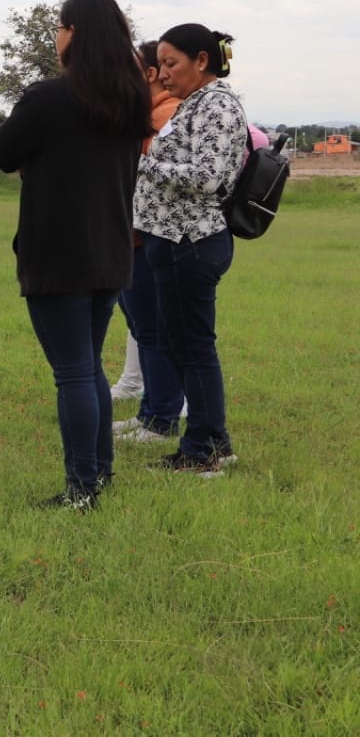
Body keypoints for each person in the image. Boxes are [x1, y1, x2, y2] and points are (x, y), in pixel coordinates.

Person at [0, 0, 152, 510]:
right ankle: (97, 477)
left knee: (74, 372)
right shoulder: (131, 99)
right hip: (110, 251)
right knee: (89, 367)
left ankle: (82, 489)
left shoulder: (48, 98)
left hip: (57, 252)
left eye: (59, 27)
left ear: (74, 34)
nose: (55, 36)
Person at [133, 23, 247, 475]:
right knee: (185, 344)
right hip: (176, 241)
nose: (162, 73)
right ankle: (212, 440)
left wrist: (143, 161)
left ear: (202, 61)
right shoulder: (196, 104)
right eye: (160, 64)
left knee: (194, 347)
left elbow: (208, 177)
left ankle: (202, 451)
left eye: (171, 62)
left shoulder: (217, 105)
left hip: (192, 242)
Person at [112, 41, 186, 441]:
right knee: (143, 328)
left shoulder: (167, 115)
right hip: (132, 238)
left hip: (151, 239)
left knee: (155, 331)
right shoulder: (145, 116)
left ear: (152, 74)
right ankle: (151, 413)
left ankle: (161, 419)